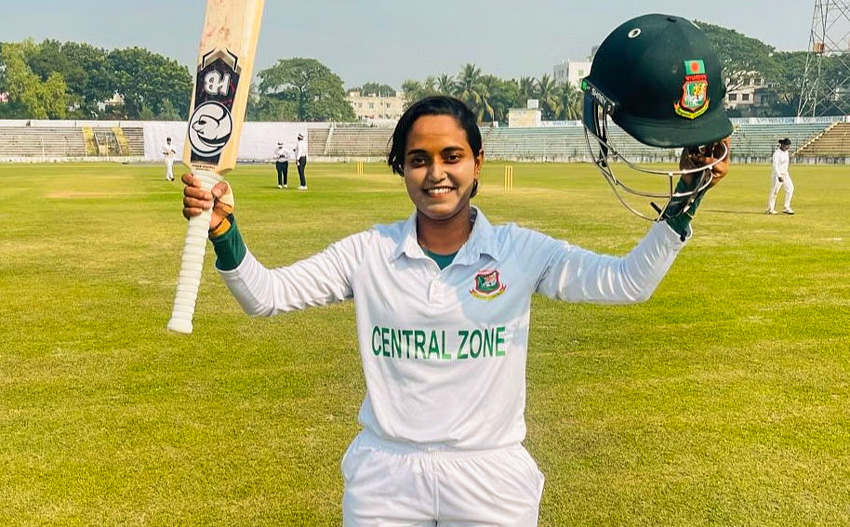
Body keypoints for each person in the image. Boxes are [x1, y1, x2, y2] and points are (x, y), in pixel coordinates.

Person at [180, 15, 730, 527]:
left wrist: (688, 196)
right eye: (419, 159)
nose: (436, 173)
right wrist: (225, 229)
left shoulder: (520, 250)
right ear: (402, 168)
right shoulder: (367, 253)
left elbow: (628, 283)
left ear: (477, 161)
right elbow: (265, 296)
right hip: (386, 476)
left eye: (451, 156)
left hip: (490, 474)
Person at [766, 137, 795, 215]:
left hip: (785, 174)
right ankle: (770, 209)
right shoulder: (777, 153)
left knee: (790, 189)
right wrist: (779, 176)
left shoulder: (786, 152)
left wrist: (785, 174)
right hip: (777, 174)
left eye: (789, 146)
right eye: (786, 146)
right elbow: (775, 165)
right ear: (782, 145)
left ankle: (786, 207)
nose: (788, 148)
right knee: (774, 192)